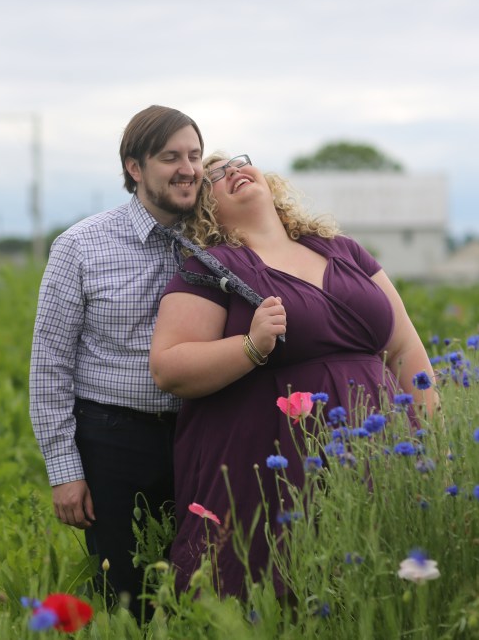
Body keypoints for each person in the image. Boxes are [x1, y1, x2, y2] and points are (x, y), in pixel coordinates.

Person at [149, 151, 439, 597]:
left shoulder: (344, 251)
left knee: (377, 588)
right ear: (203, 207)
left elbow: (404, 349)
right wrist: (251, 345)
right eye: (215, 176)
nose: (233, 172)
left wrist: (433, 439)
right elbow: (169, 367)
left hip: (377, 451)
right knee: (279, 593)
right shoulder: (209, 270)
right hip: (273, 466)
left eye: (238, 162)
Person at [29, 105, 204, 613]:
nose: (188, 169)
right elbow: (49, 365)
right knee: (124, 597)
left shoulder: (215, 241)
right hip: (112, 440)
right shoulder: (80, 246)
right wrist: (65, 470)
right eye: (171, 157)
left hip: (198, 433)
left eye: (194, 155)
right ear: (135, 167)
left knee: (198, 589)